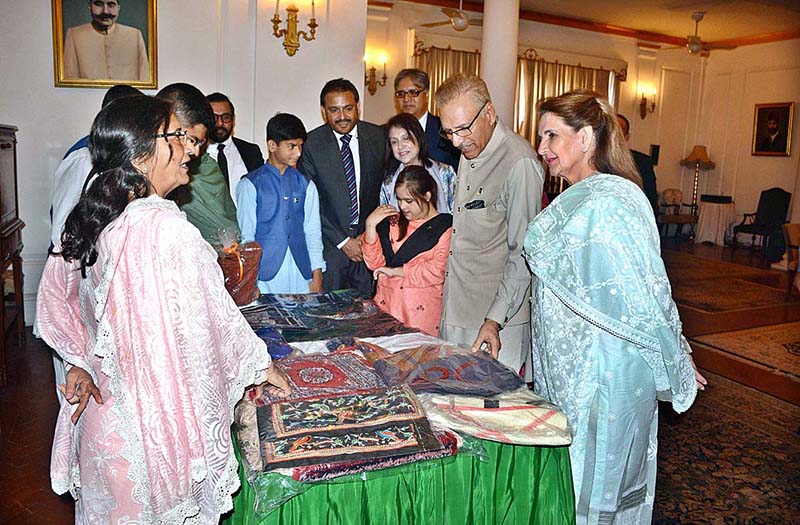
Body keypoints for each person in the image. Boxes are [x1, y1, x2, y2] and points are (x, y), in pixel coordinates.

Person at [35, 95, 291, 523]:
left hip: (103, 428)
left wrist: (78, 361)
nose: (191, 149)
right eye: (176, 138)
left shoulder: (92, 216)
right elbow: (213, 323)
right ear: (139, 155)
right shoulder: (164, 227)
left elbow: (55, 302)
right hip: (154, 439)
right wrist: (260, 366)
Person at [526, 89, 706, 524]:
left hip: (604, 369)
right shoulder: (580, 196)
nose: (542, 147)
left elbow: (645, 291)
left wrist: (676, 355)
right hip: (568, 367)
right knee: (568, 475)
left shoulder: (612, 201)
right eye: (540, 136)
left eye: (552, 136)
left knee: (598, 475)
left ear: (585, 137)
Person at [435, 74, 544, 376]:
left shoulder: (519, 163)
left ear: (490, 113)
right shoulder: (470, 147)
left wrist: (494, 320)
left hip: (495, 323)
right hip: (456, 309)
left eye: (462, 129)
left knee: (491, 418)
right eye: (449, 133)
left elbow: (523, 254)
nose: (457, 141)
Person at [44, 83, 141, 402]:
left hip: (98, 292)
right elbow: (65, 232)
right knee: (76, 390)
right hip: (75, 288)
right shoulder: (83, 160)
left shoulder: (118, 162)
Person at [299, 78, 386, 296]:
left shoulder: (378, 137)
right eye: (334, 110)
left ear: (358, 107)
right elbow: (310, 203)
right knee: (329, 319)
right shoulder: (311, 144)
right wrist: (344, 241)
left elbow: (385, 189)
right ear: (323, 111)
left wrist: (368, 236)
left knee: (369, 318)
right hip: (332, 250)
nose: (342, 116)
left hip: (370, 246)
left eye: (348, 108)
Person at [237, 113, 325, 294]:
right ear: (272, 145)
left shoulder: (307, 185)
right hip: (264, 276)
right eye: (291, 146)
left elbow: (313, 232)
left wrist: (317, 274)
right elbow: (246, 237)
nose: (298, 153)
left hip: (302, 272)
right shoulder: (250, 184)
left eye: (300, 146)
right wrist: (249, 280)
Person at [363, 166, 453, 336]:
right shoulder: (393, 222)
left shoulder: (445, 227)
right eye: (399, 200)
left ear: (427, 195)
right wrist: (370, 225)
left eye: (409, 201)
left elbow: (437, 270)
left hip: (421, 313)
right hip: (386, 307)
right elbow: (375, 265)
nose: (403, 206)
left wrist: (396, 271)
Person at [158, 83, 241, 245]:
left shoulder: (204, 165)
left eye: (198, 143)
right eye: (189, 139)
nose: (194, 151)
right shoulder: (139, 192)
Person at [381, 112, 455, 213]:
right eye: (394, 141)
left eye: (406, 138)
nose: (400, 146)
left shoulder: (444, 172)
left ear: (419, 137)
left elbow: (456, 213)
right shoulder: (388, 183)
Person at [63, 0, 149, 81]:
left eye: (111, 5)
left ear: (118, 8)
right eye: (99, 4)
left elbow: (144, 79)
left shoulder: (135, 35)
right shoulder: (74, 35)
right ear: (90, 6)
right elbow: (70, 78)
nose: (105, 11)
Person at [394, 68, 460, 171]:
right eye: (401, 94)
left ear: (427, 94)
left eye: (413, 92)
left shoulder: (445, 130)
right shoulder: (387, 134)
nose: (406, 99)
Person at [207, 92, 265, 203]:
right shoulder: (194, 155)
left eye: (226, 117)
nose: (220, 123)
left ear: (233, 120)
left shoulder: (251, 152)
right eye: (214, 118)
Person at [616, 114, 658, 213]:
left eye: (619, 130)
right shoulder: (592, 160)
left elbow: (650, 199)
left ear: (627, 137)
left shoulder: (642, 162)